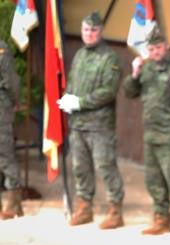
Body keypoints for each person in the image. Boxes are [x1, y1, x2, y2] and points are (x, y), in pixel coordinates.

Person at [123, 25, 170, 235]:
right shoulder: (145, 69)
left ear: (167, 47)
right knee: (154, 180)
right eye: (152, 48)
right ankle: (161, 218)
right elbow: (129, 92)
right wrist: (135, 73)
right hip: (151, 134)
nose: (155, 52)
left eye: (159, 48)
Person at [59, 11, 124, 228]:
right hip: (78, 125)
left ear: (101, 32)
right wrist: (68, 98)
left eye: (93, 30)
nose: (89, 34)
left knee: (105, 166)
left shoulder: (109, 58)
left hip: (99, 125)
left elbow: (108, 91)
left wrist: (80, 102)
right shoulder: (79, 55)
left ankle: (115, 210)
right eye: (86, 30)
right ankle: (84, 207)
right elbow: (72, 84)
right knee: (80, 167)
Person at [0, 37, 23, 220]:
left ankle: (14, 201)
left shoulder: (1, 49)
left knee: (5, 154)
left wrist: (15, 100)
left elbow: (11, 80)